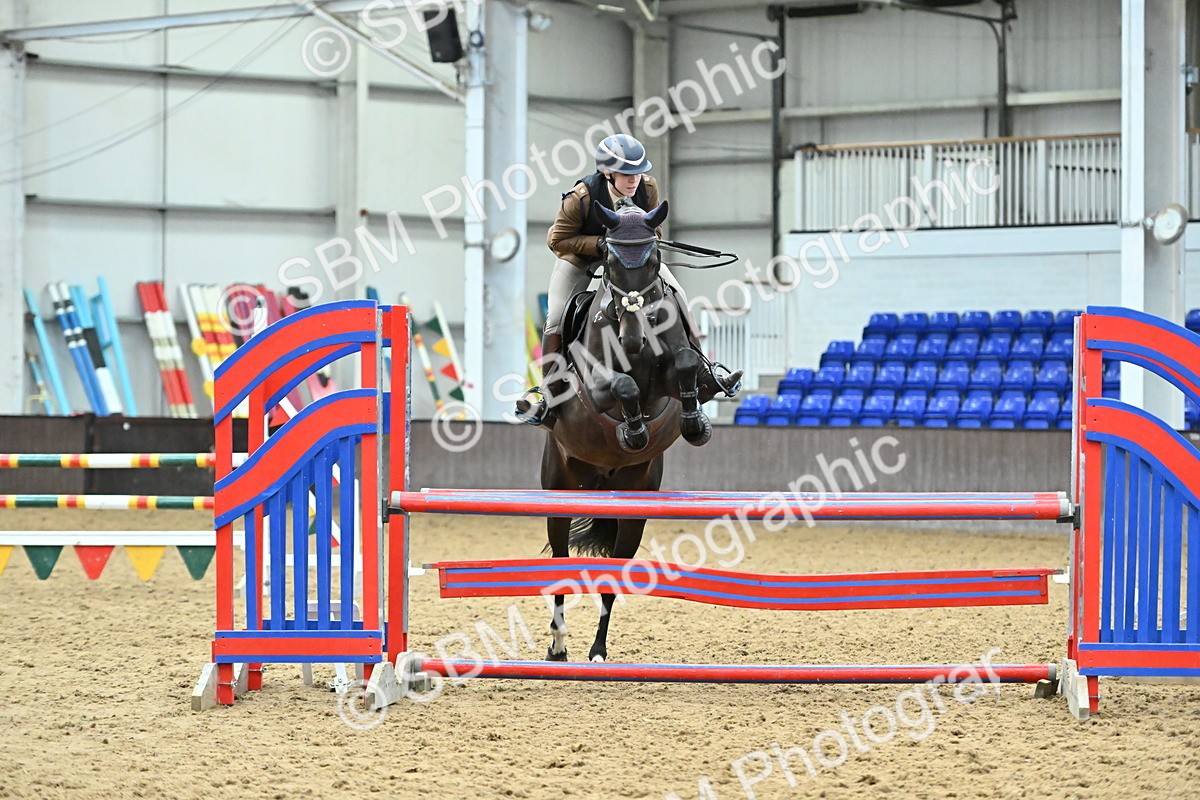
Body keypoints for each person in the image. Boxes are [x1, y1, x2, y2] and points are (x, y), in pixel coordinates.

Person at [517, 133, 741, 425]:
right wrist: (601, 244)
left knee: (678, 294)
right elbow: (556, 240)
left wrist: (636, 246)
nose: (634, 179)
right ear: (607, 173)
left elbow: (654, 231)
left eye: (637, 172)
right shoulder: (580, 198)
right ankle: (549, 397)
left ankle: (704, 373)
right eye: (626, 174)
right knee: (556, 317)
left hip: (630, 259)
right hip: (581, 256)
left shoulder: (647, 188)